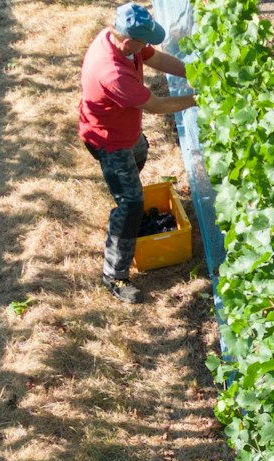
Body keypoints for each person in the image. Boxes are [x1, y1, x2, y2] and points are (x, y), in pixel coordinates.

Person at [79, 3, 195, 303]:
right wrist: (196, 99)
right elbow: (156, 105)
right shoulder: (112, 72)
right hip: (108, 141)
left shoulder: (121, 41)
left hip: (127, 134)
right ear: (128, 39)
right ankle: (114, 276)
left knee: (141, 152)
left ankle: (123, 198)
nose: (146, 46)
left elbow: (154, 57)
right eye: (143, 40)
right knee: (131, 204)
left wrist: (195, 73)